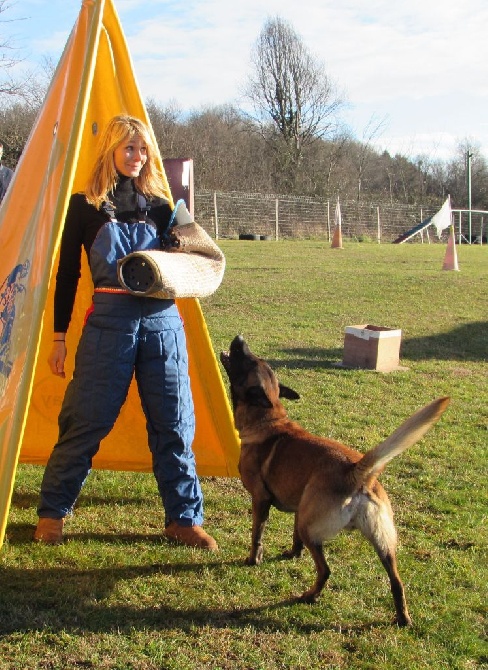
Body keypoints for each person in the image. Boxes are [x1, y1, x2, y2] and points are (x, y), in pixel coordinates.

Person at [33, 115, 218, 550]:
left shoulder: (163, 205)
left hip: (163, 323)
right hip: (108, 325)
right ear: (112, 150)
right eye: (128, 148)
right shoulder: (82, 205)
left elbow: (197, 261)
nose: (137, 157)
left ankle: (183, 519)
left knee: (174, 423)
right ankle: (52, 513)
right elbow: (67, 276)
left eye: (142, 149)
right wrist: (59, 339)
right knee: (85, 420)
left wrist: (184, 236)